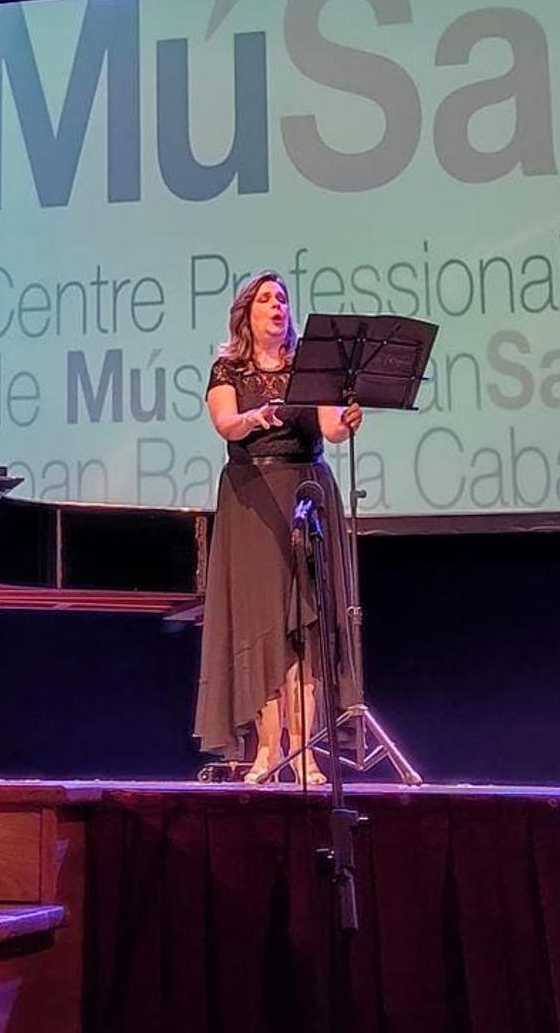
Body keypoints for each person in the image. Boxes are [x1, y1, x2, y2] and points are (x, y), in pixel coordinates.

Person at [194, 271, 361, 785]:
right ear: (246, 313)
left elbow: (329, 428)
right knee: (263, 626)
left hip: (306, 492)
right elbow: (226, 424)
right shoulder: (229, 369)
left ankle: (306, 755)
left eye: (282, 298)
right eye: (265, 298)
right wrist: (255, 417)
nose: (276, 306)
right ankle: (268, 751)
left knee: (305, 629)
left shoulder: (309, 369)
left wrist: (348, 419)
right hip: (252, 497)